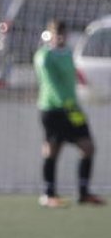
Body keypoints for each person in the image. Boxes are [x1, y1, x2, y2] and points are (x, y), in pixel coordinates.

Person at [34, 19, 104, 208]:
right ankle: (48, 195)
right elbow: (51, 84)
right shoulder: (44, 56)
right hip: (52, 110)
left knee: (88, 146)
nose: (61, 37)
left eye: (63, 34)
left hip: (72, 108)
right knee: (52, 149)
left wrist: (87, 85)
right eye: (57, 34)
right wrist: (66, 104)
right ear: (50, 35)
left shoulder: (67, 54)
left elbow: (74, 75)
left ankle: (84, 193)